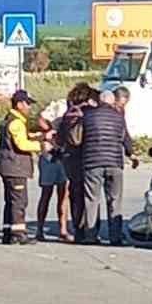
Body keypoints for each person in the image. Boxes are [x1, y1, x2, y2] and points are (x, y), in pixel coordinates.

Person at [82, 89, 137, 246]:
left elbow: (80, 137)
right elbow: (125, 138)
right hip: (114, 162)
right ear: (112, 102)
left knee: (92, 199)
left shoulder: (88, 116)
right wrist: (131, 154)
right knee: (114, 200)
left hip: (92, 162)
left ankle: (90, 235)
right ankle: (115, 237)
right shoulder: (118, 117)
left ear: (99, 101)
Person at [57, 82, 99, 242]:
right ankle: (91, 231)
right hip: (87, 158)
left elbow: (60, 139)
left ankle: (79, 230)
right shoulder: (88, 114)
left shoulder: (68, 115)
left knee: (76, 195)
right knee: (91, 196)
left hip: (70, 160)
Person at [0, 89, 40, 245]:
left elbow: (22, 137)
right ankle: (18, 233)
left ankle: (8, 232)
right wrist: (40, 145)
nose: (29, 107)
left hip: (9, 166)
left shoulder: (12, 119)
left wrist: (37, 136)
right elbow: (21, 144)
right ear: (20, 104)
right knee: (19, 201)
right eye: (27, 104)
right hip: (15, 167)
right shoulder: (16, 122)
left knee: (11, 201)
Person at [35, 114, 72, 243]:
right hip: (48, 158)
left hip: (62, 158)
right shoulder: (55, 108)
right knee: (46, 194)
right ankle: (39, 229)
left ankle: (63, 229)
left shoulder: (69, 112)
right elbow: (39, 119)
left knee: (64, 195)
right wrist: (47, 130)